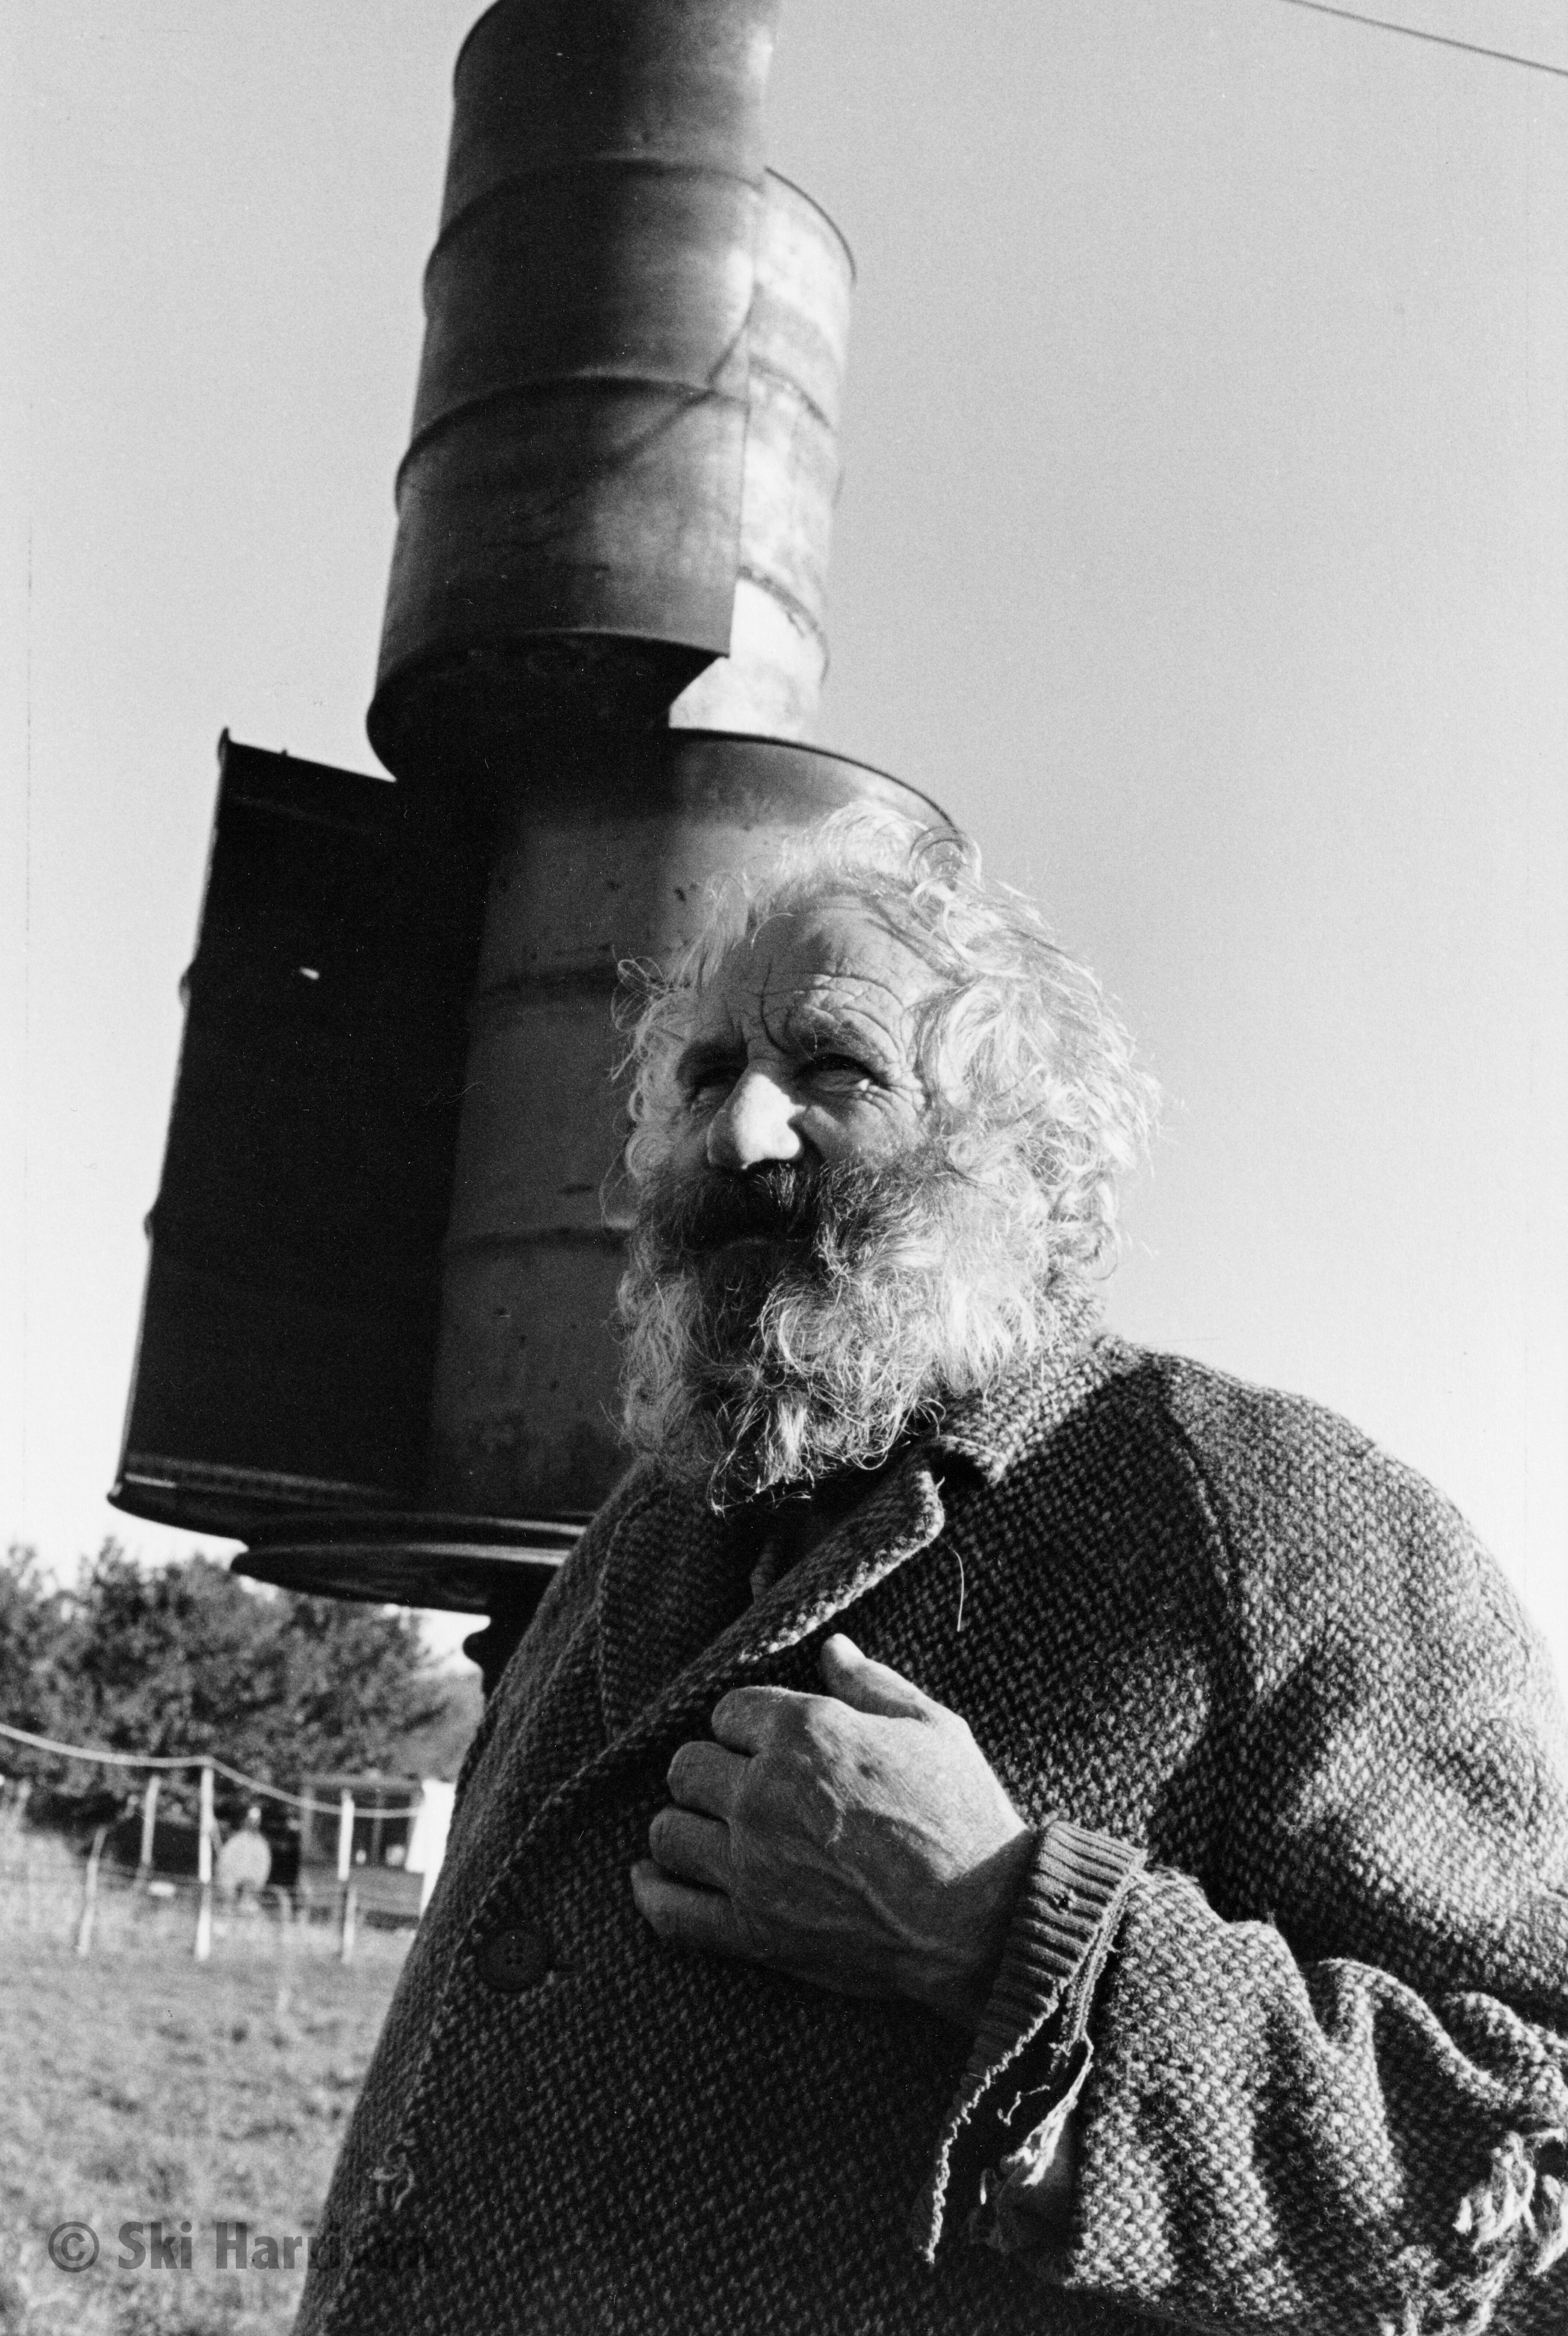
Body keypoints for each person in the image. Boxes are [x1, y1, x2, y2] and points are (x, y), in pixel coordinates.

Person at [297, 809, 1568, 2335]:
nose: (740, 1137)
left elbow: (1527, 2169)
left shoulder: (1272, 1519)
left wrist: (1004, 1925)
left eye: (832, 1071)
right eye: (708, 1077)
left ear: (1015, 1152)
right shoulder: (644, 1528)